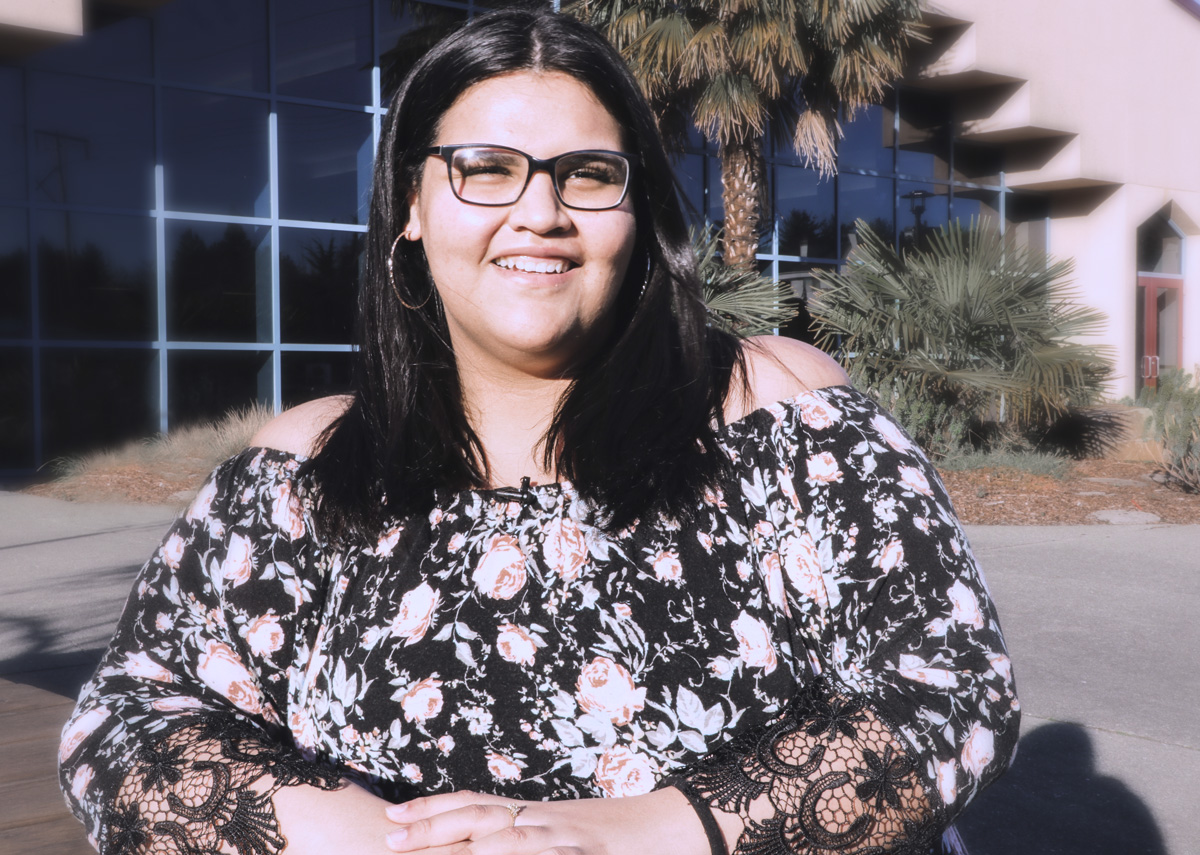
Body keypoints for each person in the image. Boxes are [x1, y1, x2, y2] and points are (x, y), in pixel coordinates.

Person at [58, 9, 1018, 855]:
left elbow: (949, 688)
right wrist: (375, 839)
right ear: (410, 210)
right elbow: (126, 717)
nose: (541, 212)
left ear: (636, 213)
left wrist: (641, 835)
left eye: (589, 174)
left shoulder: (774, 406)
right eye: (485, 169)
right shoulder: (303, 468)